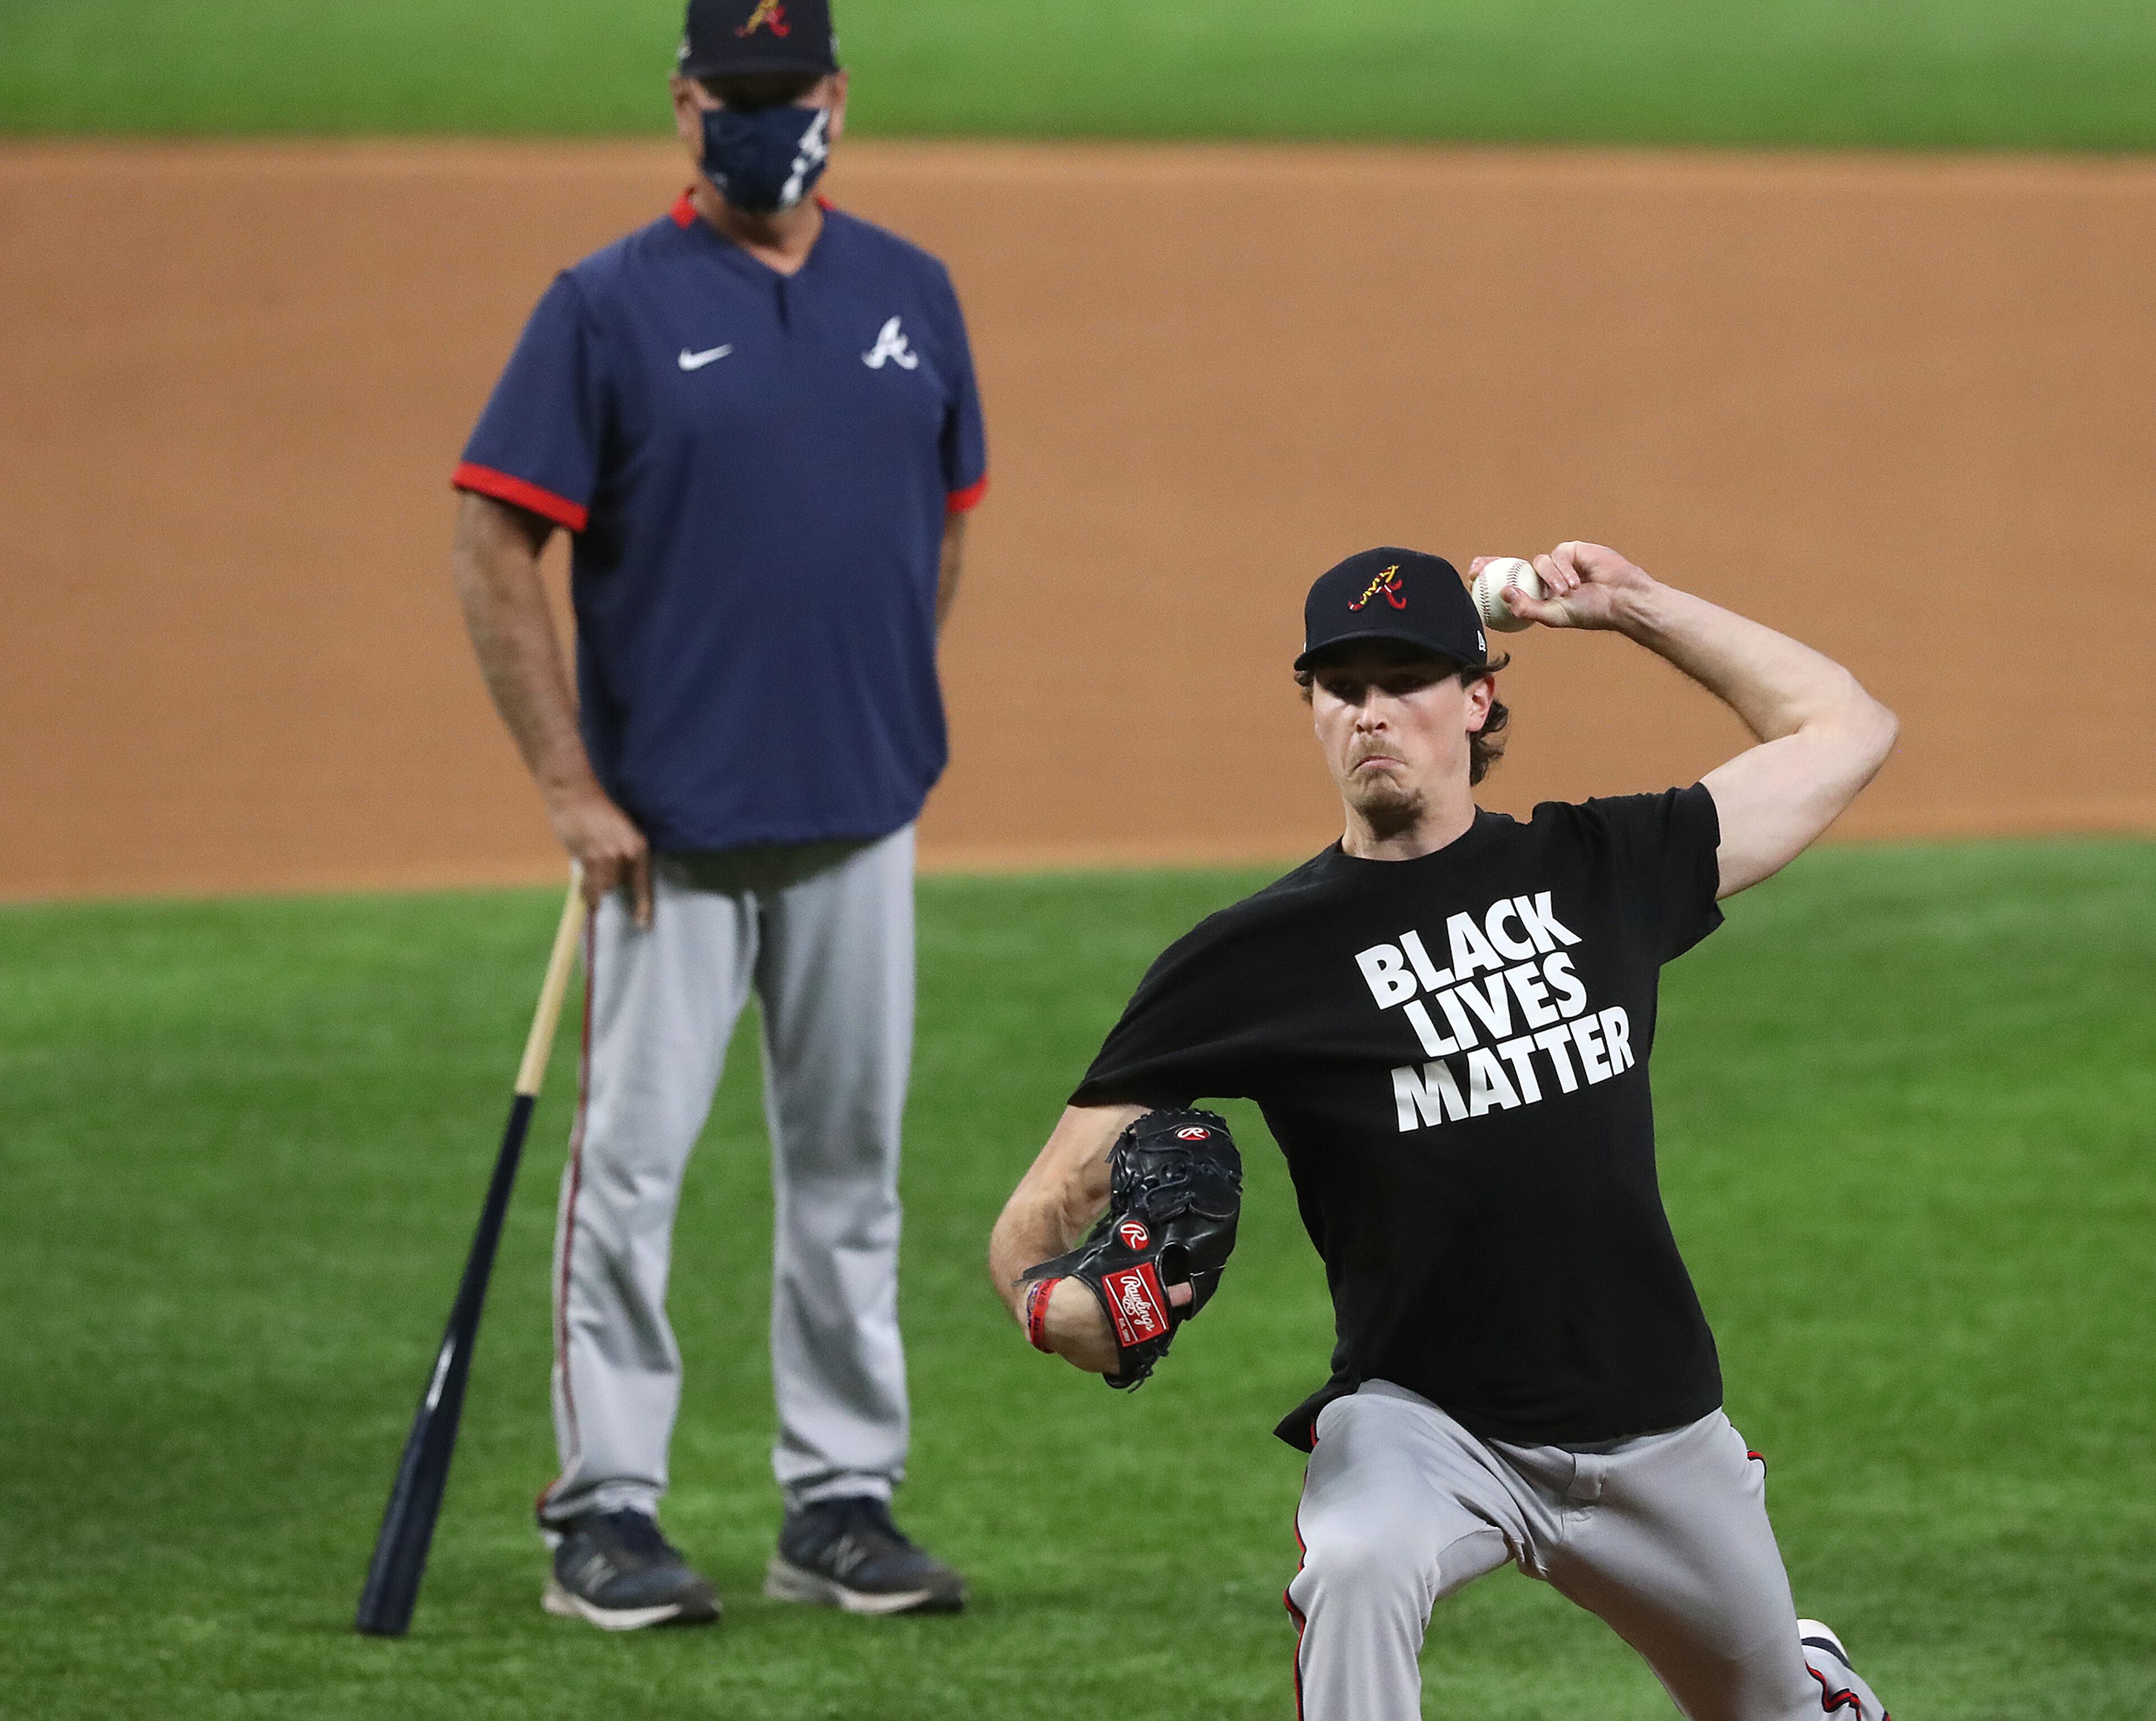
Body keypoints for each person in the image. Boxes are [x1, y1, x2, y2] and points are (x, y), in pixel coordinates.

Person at [989, 544, 1898, 1718]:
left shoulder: (1598, 869)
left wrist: (1633, 607)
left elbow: (1847, 728)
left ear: (1476, 700)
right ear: (1314, 712)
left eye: (1407, 679)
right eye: (1342, 686)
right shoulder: (1251, 958)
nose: (1373, 711)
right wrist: (1049, 1306)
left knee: (1767, 1705)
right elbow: (1046, 1201)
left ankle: (1806, 1675)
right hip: (1426, 1426)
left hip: (1659, 1428)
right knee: (1358, 1566)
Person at [450, 0, 983, 1628]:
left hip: (860, 816)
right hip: (664, 841)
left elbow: (944, 517)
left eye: (791, 92)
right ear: (688, 109)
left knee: (851, 1173)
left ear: (836, 96)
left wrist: (866, 697)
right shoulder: (604, 307)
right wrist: (566, 782)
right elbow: (491, 536)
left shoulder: (912, 294)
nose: (768, 122)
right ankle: (603, 1512)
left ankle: (838, 1499)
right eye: (735, 96)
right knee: (629, 1179)